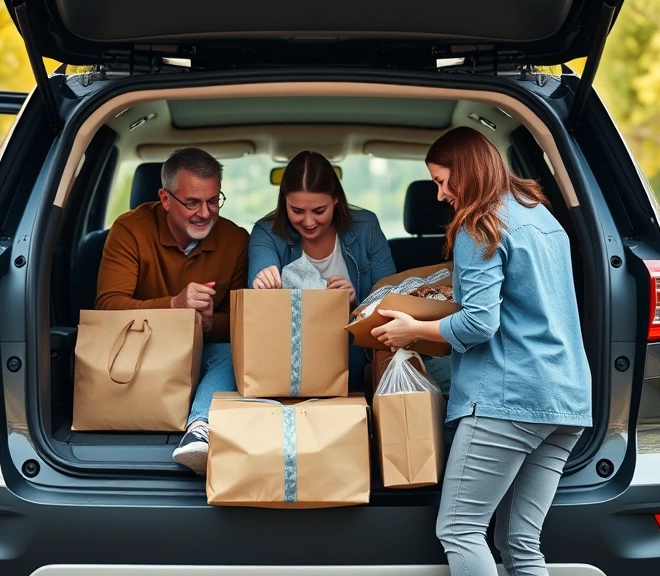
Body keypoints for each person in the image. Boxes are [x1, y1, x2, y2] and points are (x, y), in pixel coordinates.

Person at [370, 127, 592, 576]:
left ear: (467, 173)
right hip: (566, 401)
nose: (439, 194)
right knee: (523, 544)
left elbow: (479, 324)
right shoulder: (542, 216)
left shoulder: (479, 224)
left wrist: (415, 326)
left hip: (509, 400)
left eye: (442, 181)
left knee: (460, 529)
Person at [96, 147, 249, 475]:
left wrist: (209, 325)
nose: (205, 213)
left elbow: (241, 321)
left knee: (233, 353)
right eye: (192, 203)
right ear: (165, 199)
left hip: (204, 350)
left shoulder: (235, 239)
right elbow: (106, 307)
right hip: (138, 349)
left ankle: (200, 430)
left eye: (213, 201)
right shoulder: (130, 230)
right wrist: (173, 306)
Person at [248, 150, 396, 387]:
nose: (308, 221)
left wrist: (355, 304)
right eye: (296, 211)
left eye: (319, 211)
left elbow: (390, 300)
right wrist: (263, 280)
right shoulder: (267, 232)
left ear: (336, 199)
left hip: (356, 356)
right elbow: (260, 274)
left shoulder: (366, 228)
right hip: (290, 357)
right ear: (284, 201)